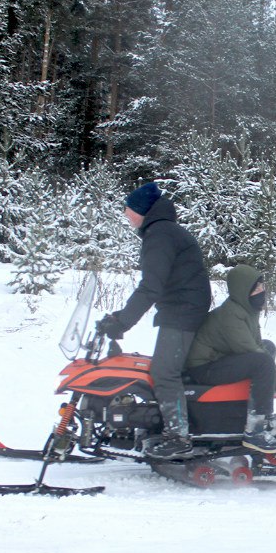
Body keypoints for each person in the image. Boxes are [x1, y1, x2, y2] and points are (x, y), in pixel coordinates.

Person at [97, 182, 211, 459]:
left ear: (142, 210)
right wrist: (119, 318)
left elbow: (151, 287)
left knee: (164, 372)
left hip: (183, 310)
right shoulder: (162, 232)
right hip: (181, 308)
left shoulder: (160, 235)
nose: (125, 214)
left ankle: (178, 436)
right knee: (158, 368)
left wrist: (123, 322)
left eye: (128, 209)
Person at [185, 264, 276, 454]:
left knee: (268, 347)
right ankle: (254, 432)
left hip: (218, 359)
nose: (261, 292)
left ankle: (256, 406)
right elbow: (253, 352)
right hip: (204, 367)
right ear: (242, 289)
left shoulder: (247, 309)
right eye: (255, 288)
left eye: (262, 287)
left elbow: (259, 347)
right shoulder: (231, 315)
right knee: (261, 361)